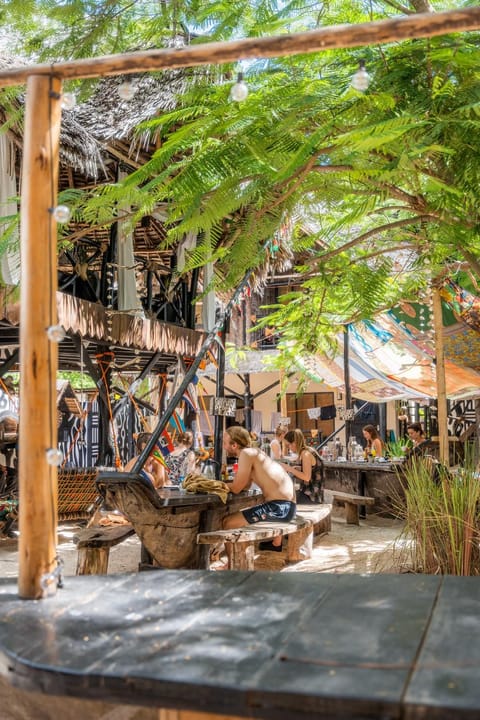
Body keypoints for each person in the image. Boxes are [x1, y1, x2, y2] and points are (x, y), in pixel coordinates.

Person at [222, 425, 296, 551]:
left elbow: (236, 488)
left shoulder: (245, 454)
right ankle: (235, 562)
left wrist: (216, 484)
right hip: (287, 507)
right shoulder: (255, 452)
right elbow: (245, 486)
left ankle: (232, 566)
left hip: (279, 508)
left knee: (228, 523)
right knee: (234, 520)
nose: (223, 446)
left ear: (234, 445)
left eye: (224, 443)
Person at [278, 428, 323, 504]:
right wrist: (297, 468)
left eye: (288, 445)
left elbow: (306, 477)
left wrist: (289, 468)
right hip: (311, 493)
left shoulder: (306, 454)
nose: (288, 448)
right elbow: (312, 469)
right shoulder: (308, 450)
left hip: (311, 496)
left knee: (284, 502)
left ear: (294, 443)